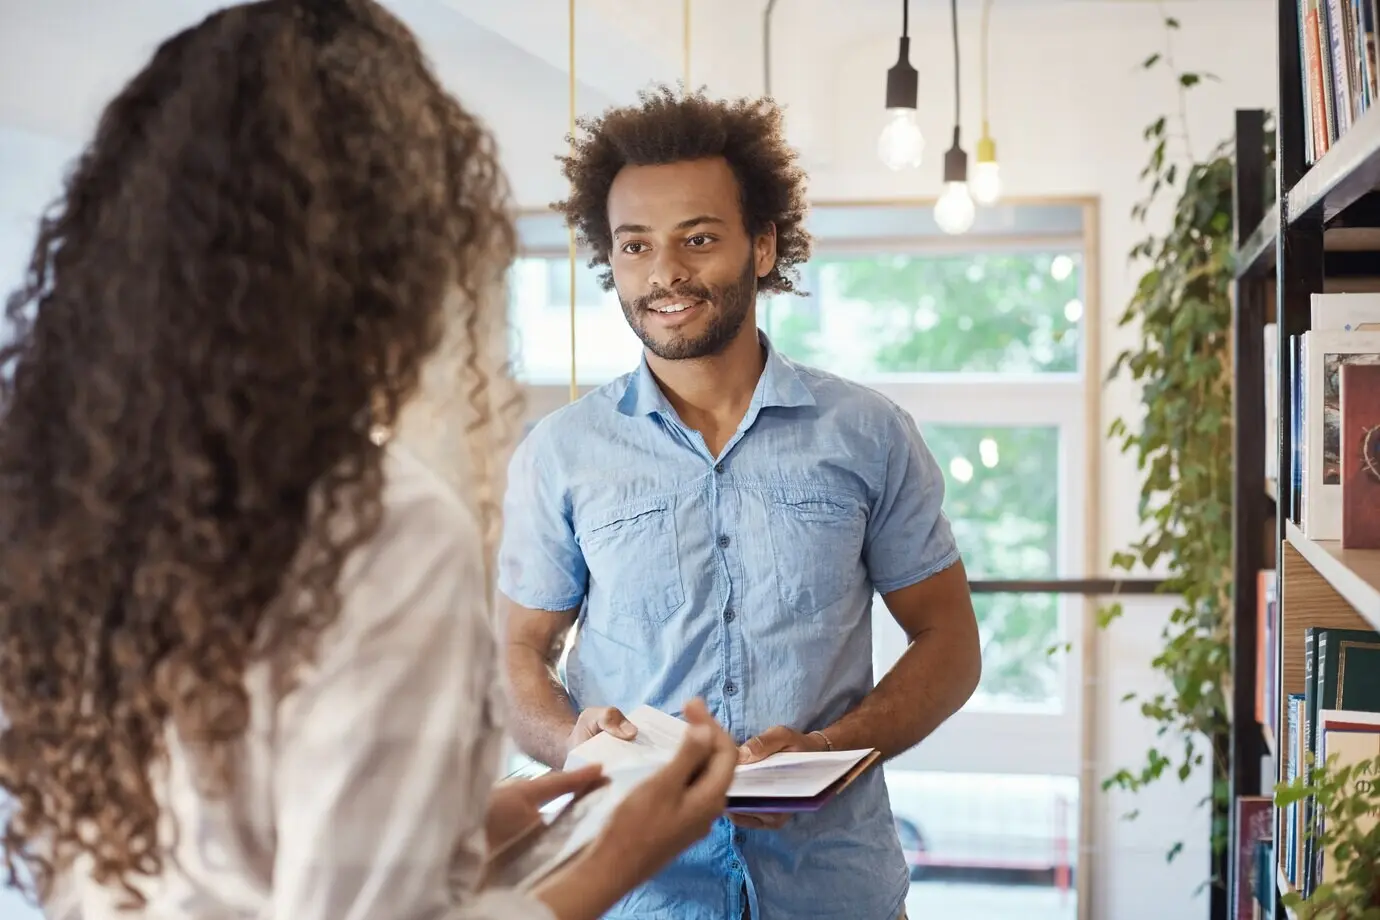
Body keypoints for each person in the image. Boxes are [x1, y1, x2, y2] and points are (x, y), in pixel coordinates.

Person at [0, 6, 740, 920]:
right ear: (389, 248)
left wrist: (447, 840)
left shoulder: (70, 505)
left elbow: (235, 859)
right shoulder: (380, 532)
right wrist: (618, 855)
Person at [499, 85, 984, 920]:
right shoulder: (561, 452)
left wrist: (833, 748)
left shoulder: (867, 433)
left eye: (697, 239)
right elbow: (516, 655)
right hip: (636, 893)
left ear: (763, 246)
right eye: (635, 246)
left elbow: (950, 643)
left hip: (834, 891)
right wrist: (568, 738)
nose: (665, 274)